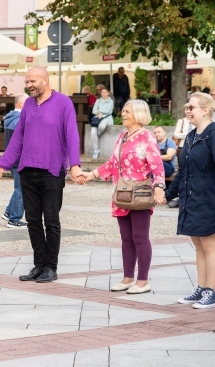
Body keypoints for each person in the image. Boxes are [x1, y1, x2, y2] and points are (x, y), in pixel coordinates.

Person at [0, 66, 83, 283]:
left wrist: (74, 165)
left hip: (52, 170)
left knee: (51, 220)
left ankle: (51, 267)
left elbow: (71, 136)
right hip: (27, 170)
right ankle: (38, 265)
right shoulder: (29, 104)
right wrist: (2, 164)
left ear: (45, 80)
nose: (29, 85)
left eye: (33, 81)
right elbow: (18, 139)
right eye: (27, 82)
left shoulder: (63, 103)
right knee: (32, 221)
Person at [81, 100, 165, 294]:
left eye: (127, 111)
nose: (123, 114)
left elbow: (157, 165)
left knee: (140, 237)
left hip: (140, 193)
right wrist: (91, 175)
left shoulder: (146, 137)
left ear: (138, 114)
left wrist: (159, 187)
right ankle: (128, 278)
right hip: (121, 194)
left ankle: (143, 281)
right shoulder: (122, 137)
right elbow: (112, 164)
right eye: (124, 111)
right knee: (126, 238)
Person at [161, 92, 215, 308]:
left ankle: (212, 290)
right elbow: (182, 172)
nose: (188, 111)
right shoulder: (192, 136)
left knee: (210, 245)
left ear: (206, 110)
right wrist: (167, 194)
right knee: (199, 245)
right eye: (188, 107)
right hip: (191, 198)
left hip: (208, 198)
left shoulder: (213, 134)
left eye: (192, 107)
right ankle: (202, 287)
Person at [1, 93, 28, 228]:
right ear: (22, 104)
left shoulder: (10, 118)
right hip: (20, 159)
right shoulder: (20, 120)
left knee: (19, 188)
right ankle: (14, 219)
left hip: (12, 158)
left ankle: (8, 212)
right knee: (21, 189)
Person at [91, 88, 115, 159]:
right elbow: (93, 111)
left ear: (108, 93)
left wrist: (99, 111)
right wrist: (98, 113)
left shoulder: (111, 101)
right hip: (97, 118)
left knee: (102, 126)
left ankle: (98, 134)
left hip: (107, 118)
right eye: (102, 92)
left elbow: (109, 110)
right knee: (92, 132)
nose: (103, 93)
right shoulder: (98, 101)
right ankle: (96, 149)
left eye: (105, 92)